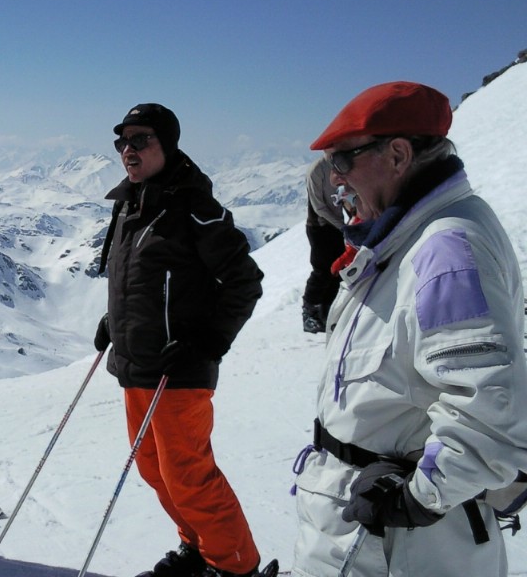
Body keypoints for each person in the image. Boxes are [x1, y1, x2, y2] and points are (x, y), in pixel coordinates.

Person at [291, 82, 527, 577]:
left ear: (398, 154)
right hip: (366, 530)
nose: (336, 180)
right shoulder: (410, 238)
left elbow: (490, 412)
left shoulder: (446, 250)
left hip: (400, 545)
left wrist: (413, 500)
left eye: (343, 160)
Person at [95, 103, 277, 577]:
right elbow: (141, 278)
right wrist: (114, 320)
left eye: (140, 140)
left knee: (189, 476)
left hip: (180, 369)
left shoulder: (195, 208)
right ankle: (198, 549)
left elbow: (244, 280)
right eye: (122, 142)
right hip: (136, 365)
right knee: (155, 471)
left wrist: (209, 340)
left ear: (167, 145)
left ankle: (236, 567)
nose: (127, 151)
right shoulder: (130, 203)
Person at [301, 157, 346, 333]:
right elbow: (318, 206)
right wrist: (342, 225)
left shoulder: (342, 162)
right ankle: (309, 313)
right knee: (321, 269)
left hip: (335, 225)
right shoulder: (317, 170)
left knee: (336, 270)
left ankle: (327, 313)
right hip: (319, 226)